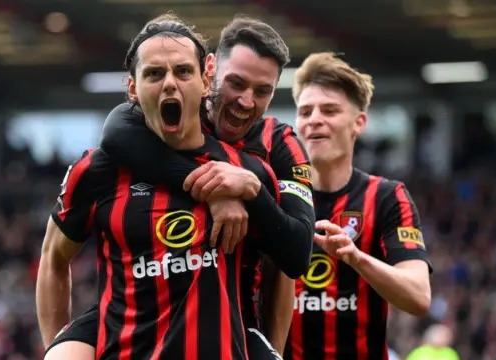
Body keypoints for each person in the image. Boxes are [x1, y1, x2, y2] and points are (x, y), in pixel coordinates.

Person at [37, 13, 311, 360]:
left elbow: (291, 257)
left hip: (231, 320)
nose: (245, 101)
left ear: (202, 77)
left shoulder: (270, 156)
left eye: (182, 71)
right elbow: (53, 255)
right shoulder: (105, 162)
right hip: (124, 319)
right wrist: (208, 184)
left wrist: (251, 193)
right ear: (132, 88)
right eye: (154, 73)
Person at [284, 52, 433, 360]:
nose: (314, 120)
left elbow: (419, 296)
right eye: (306, 111)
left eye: (329, 110)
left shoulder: (387, 197)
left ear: (359, 122)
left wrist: (355, 258)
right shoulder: (277, 194)